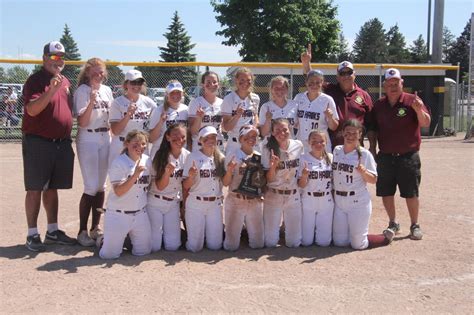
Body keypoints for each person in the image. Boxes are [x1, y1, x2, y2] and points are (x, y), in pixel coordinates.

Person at [22, 41, 76, 251]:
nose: (58, 61)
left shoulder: (65, 81)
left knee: (52, 188)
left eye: (61, 57)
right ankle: (32, 233)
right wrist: (51, 90)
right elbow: (33, 110)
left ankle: (52, 231)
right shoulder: (35, 80)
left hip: (61, 143)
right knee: (35, 188)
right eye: (54, 57)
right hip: (39, 141)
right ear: (44, 58)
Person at [370, 68, 431, 241]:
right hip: (386, 156)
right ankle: (393, 222)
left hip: (408, 156)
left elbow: (425, 122)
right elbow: (373, 128)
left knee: (410, 192)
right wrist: (373, 148)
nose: (393, 86)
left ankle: (414, 225)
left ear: (402, 83)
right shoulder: (379, 105)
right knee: (386, 192)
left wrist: (419, 110)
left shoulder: (412, 100)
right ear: (384, 86)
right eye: (390, 83)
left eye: (396, 83)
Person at [301, 44, 374, 150]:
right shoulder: (330, 90)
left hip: (356, 146)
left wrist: (372, 147)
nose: (346, 76)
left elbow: (371, 124)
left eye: (349, 72)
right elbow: (313, 80)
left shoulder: (364, 95)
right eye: (342, 73)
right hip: (333, 145)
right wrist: (306, 64)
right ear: (337, 77)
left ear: (355, 74)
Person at [73, 58, 113, 246]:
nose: (99, 75)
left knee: (101, 186)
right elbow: (82, 122)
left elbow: (111, 118)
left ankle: (95, 227)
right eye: (95, 72)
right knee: (90, 185)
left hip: (105, 137)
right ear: (88, 73)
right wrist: (91, 101)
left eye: (101, 72)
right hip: (88, 138)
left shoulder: (107, 91)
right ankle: (82, 231)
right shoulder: (82, 91)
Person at [98, 130, 152, 259]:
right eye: (136, 144)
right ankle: (103, 240)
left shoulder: (147, 160)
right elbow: (119, 191)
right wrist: (135, 175)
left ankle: (124, 238)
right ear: (126, 144)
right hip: (118, 214)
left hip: (140, 214)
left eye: (143, 144)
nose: (140, 147)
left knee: (143, 252)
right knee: (109, 255)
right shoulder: (118, 163)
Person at [332, 119, 377, 250]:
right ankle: (359, 234)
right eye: (347, 133)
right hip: (339, 201)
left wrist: (363, 172)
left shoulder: (364, 154)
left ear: (360, 134)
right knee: (340, 242)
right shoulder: (337, 150)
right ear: (342, 133)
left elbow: (373, 179)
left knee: (358, 244)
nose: (350, 136)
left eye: (354, 133)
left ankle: (383, 238)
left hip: (357, 201)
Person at [262, 118, 304, 248]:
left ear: (290, 129)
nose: (282, 132)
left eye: (284, 129)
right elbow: (268, 179)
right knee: (270, 243)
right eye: (277, 130)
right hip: (274, 194)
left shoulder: (298, 145)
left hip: (293, 195)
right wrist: (273, 167)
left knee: (294, 243)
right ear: (273, 133)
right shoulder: (267, 148)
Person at [182, 126, 225, 252]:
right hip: (196, 203)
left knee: (215, 246)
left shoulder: (221, 157)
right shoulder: (193, 157)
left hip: (214, 204)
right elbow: (185, 186)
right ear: (200, 140)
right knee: (194, 247)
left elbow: (226, 183)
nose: (210, 140)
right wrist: (190, 176)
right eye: (206, 138)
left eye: (213, 137)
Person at [222, 125, 264, 251]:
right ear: (240, 138)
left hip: (254, 201)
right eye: (247, 136)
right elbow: (225, 183)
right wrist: (229, 171)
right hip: (236, 200)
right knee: (231, 246)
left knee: (258, 244)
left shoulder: (258, 157)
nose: (251, 139)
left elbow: (261, 182)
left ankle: (246, 232)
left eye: (254, 136)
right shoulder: (232, 155)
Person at [148, 124, 190, 252]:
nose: (180, 140)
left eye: (183, 137)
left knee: (172, 246)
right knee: (153, 247)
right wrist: (166, 173)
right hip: (155, 202)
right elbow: (160, 187)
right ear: (167, 137)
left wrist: (184, 207)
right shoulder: (159, 155)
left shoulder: (187, 155)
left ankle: (177, 233)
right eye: (175, 137)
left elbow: (185, 186)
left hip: (173, 203)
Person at [108, 69, 156, 166]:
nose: (136, 85)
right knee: (121, 180)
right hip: (122, 145)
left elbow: (156, 120)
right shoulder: (117, 103)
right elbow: (115, 131)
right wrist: (128, 115)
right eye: (133, 82)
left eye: (139, 82)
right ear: (126, 84)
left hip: (141, 147)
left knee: (142, 179)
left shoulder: (149, 102)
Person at [297, 130, 334, 247]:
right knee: (306, 242)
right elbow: (301, 185)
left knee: (324, 243)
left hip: (326, 199)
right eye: (314, 141)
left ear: (326, 142)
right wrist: (304, 176)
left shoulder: (331, 158)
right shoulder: (303, 158)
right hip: (309, 199)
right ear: (308, 142)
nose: (318, 144)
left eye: (321, 141)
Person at [294, 69, 339, 152]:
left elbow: (334, 127)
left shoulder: (327, 100)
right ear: (306, 82)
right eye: (311, 82)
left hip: (320, 143)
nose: (314, 85)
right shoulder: (298, 98)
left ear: (322, 83)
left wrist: (330, 117)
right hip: (301, 143)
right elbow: (294, 122)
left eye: (317, 82)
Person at [222, 67, 260, 155]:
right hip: (235, 144)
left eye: (248, 80)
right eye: (242, 80)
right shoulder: (229, 99)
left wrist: (256, 125)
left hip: (251, 142)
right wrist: (237, 116)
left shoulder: (255, 98)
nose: (245, 83)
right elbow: (226, 128)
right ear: (236, 80)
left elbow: (255, 117)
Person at [149, 80, 188, 158]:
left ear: (182, 94)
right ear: (167, 95)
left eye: (178, 92)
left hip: (180, 153)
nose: (175, 95)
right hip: (161, 152)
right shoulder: (158, 111)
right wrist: (161, 122)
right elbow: (151, 139)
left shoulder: (186, 110)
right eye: (172, 92)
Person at [188, 71, 225, 152]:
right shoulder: (195, 103)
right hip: (200, 146)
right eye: (208, 82)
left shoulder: (222, 103)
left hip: (218, 146)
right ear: (202, 85)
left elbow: (225, 128)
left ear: (219, 85)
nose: (211, 84)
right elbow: (192, 132)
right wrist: (199, 118)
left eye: (214, 82)